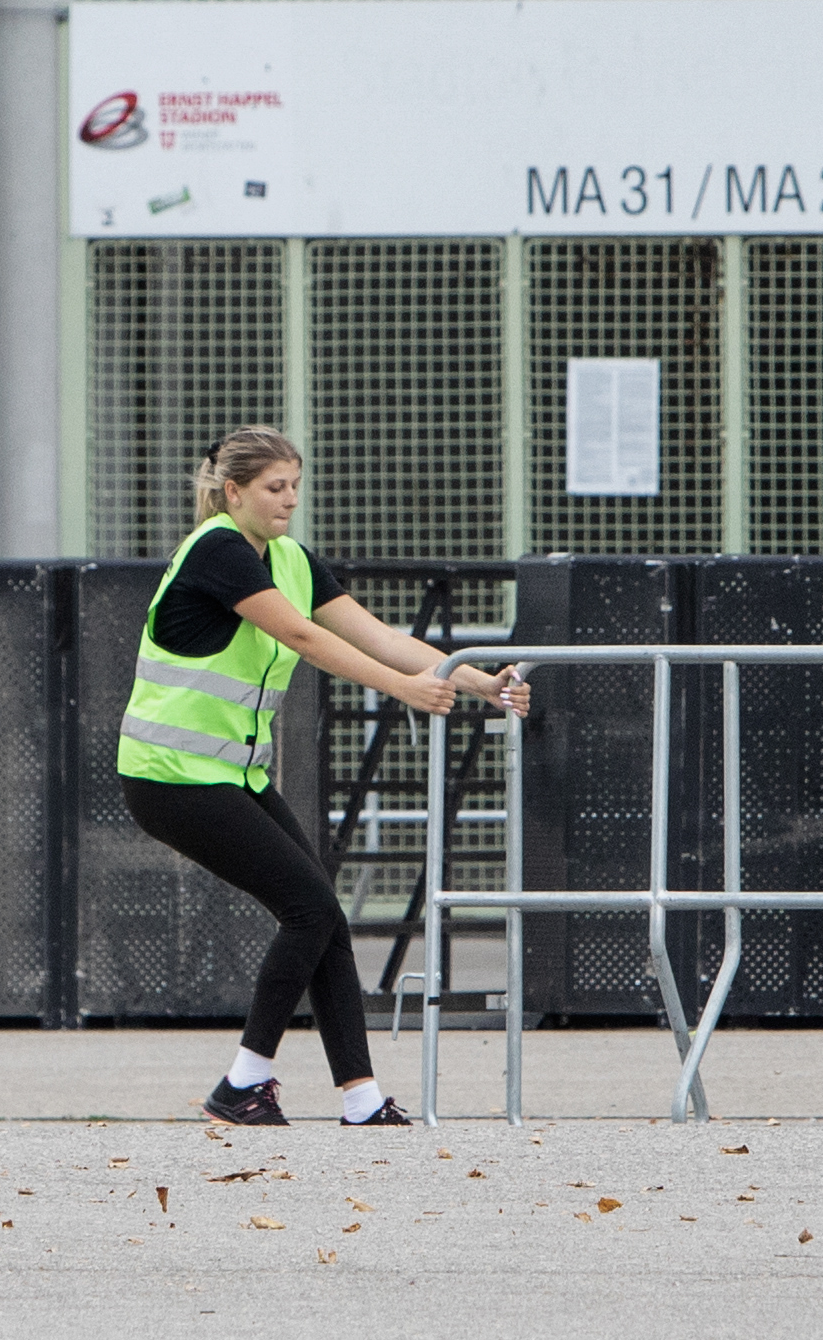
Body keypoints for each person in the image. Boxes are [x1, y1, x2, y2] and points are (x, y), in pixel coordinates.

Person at [117, 425, 529, 1127]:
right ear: (233, 490)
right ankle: (240, 1083)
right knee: (309, 906)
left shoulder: (291, 560)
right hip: (169, 776)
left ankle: (360, 1097)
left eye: (295, 487)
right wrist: (402, 692)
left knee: (321, 914)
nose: (289, 501)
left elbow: (381, 636)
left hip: (226, 774)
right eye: (275, 488)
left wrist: (479, 680)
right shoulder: (218, 548)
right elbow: (306, 639)